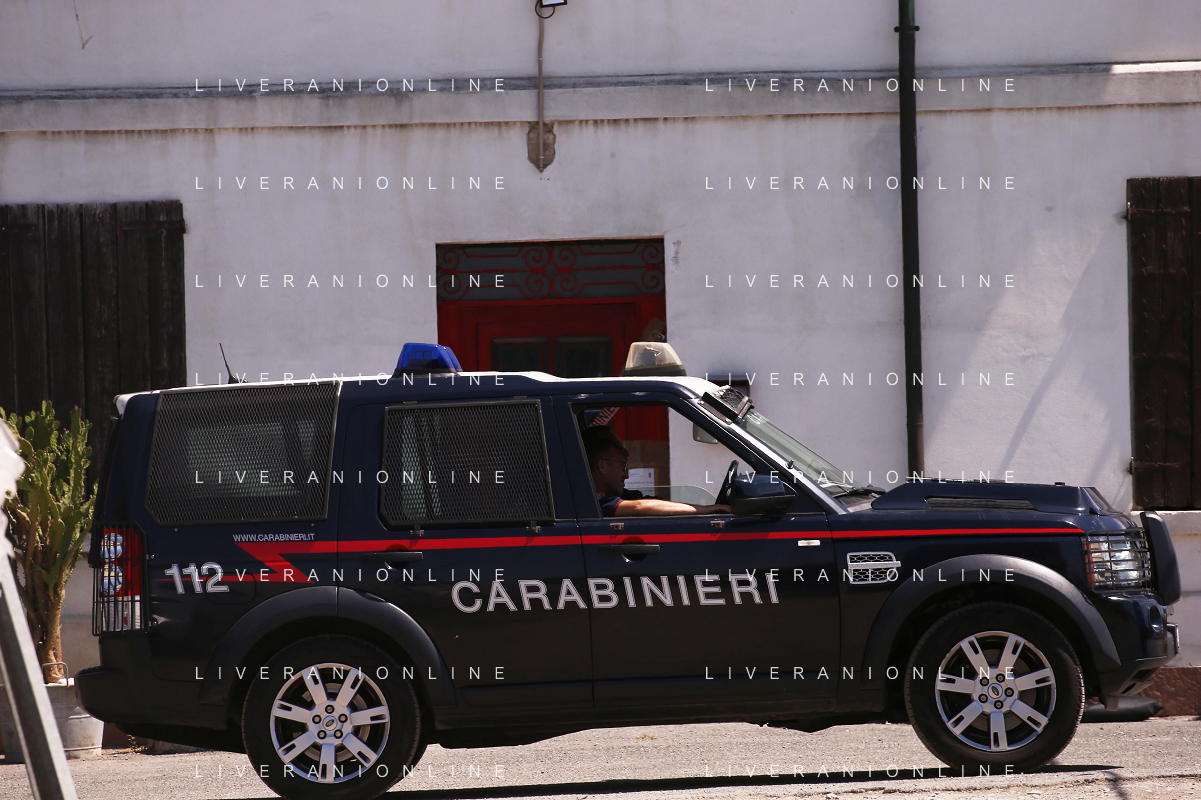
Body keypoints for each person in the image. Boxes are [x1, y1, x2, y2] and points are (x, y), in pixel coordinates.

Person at [581, 426, 731, 517]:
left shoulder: (621, 495)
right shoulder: (593, 501)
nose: (626, 474)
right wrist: (703, 510)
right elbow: (639, 508)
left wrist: (700, 509)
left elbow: (651, 503)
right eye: (622, 466)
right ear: (602, 466)